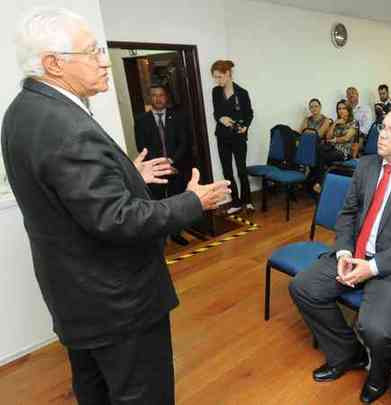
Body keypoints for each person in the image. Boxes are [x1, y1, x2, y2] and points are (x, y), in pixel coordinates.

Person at [2, 8, 230, 405]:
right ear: (54, 64)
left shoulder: (23, 111)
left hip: (75, 295)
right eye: (91, 52)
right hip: (117, 302)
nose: (104, 61)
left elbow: (69, 191)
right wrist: (194, 200)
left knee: (95, 388)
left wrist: (127, 175)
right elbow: (118, 219)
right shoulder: (66, 127)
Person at [289, 105, 391, 404]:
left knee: (375, 328)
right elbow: (348, 213)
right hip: (356, 253)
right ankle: (348, 353)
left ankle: (379, 375)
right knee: (303, 287)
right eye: (382, 127)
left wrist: (372, 267)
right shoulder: (367, 164)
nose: (381, 134)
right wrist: (345, 251)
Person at [134, 83, 193, 245]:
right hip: (155, 171)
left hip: (176, 167)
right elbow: (142, 147)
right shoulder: (141, 120)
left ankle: (176, 233)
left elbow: (184, 142)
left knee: (177, 202)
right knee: (157, 204)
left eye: (161, 95)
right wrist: (161, 165)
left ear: (166, 97)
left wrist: (172, 161)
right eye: (154, 95)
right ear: (149, 98)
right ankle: (160, 237)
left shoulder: (178, 117)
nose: (158, 98)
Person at [212, 59, 254, 214]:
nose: (217, 80)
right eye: (215, 77)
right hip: (222, 137)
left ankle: (247, 200)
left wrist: (245, 126)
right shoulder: (216, 92)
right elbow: (216, 112)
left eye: (219, 77)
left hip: (238, 137)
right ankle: (235, 202)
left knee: (241, 170)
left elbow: (249, 114)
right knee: (227, 171)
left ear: (228, 74)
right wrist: (220, 119)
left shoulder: (242, 93)